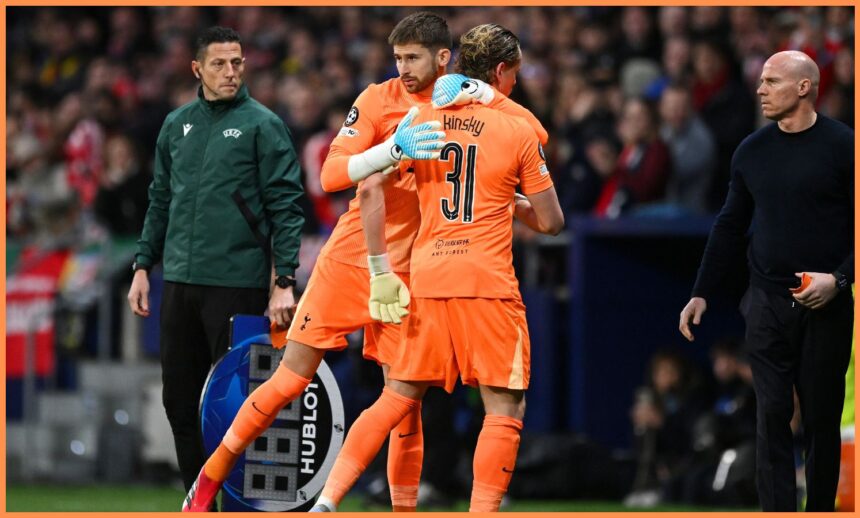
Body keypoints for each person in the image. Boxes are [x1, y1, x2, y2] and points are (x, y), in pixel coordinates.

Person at [181, 13, 548, 513]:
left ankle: (398, 509)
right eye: (397, 58)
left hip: (416, 273)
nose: (402, 69)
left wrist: (487, 97)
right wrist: (389, 152)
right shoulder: (380, 99)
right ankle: (210, 478)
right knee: (291, 378)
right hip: (355, 260)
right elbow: (338, 176)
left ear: (445, 59)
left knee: (406, 404)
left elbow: (523, 139)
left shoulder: (456, 106)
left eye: (412, 58)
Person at [310, 23, 564, 513]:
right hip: (486, 282)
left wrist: (382, 267)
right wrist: (510, 201)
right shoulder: (518, 128)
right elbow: (552, 221)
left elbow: (368, 189)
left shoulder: (421, 119)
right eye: (515, 73)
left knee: (397, 396)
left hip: (426, 278)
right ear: (501, 70)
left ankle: (327, 500)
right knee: (504, 409)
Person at [126, 26, 305, 500]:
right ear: (197, 69)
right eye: (220, 64)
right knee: (179, 404)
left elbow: (287, 205)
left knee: (235, 408)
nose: (231, 72)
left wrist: (284, 280)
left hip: (237, 282)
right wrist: (144, 265)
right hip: (179, 282)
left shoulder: (263, 125)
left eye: (238, 63)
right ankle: (197, 500)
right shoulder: (175, 124)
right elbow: (160, 198)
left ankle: (240, 503)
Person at [679, 50, 854, 511]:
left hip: (826, 304)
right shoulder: (751, 150)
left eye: (772, 81)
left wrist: (839, 280)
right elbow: (729, 225)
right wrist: (701, 291)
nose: (760, 89)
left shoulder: (843, 146)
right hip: (766, 300)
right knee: (771, 414)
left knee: (820, 419)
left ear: (804, 88)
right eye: (760, 81)